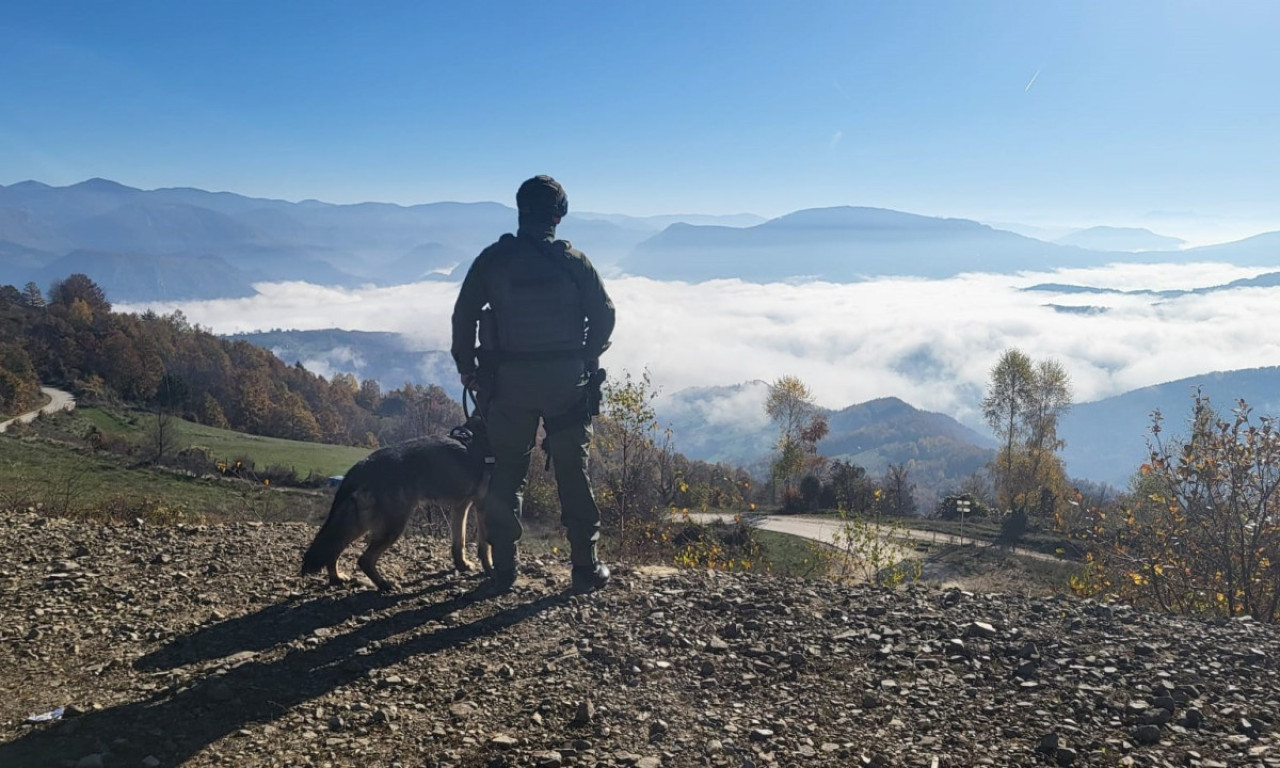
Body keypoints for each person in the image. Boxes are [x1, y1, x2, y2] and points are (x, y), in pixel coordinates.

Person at [450, 175, 616, 594]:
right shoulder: (574, 261)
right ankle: (584, 568)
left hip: (508, 385)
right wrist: (586, 354)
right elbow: (605, 314)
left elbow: (463, 315)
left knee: (507, 471)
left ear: (521, 212)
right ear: (558, 216)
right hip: (567, 384)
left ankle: (503, 569)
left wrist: (467, 367)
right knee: (573, 473)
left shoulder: (493, 259)